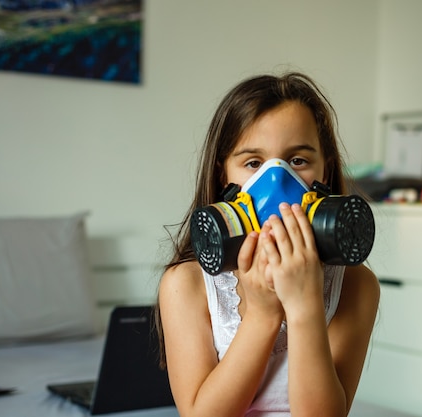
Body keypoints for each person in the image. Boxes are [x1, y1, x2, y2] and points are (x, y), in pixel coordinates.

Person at [154, 72, 379, 417]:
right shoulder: (186, 285)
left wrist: (304, 306)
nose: (276, 181)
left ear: (326, 171)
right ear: (223, 176)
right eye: (254, 163)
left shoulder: (355, 284)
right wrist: (262, 314)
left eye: (298, 161)